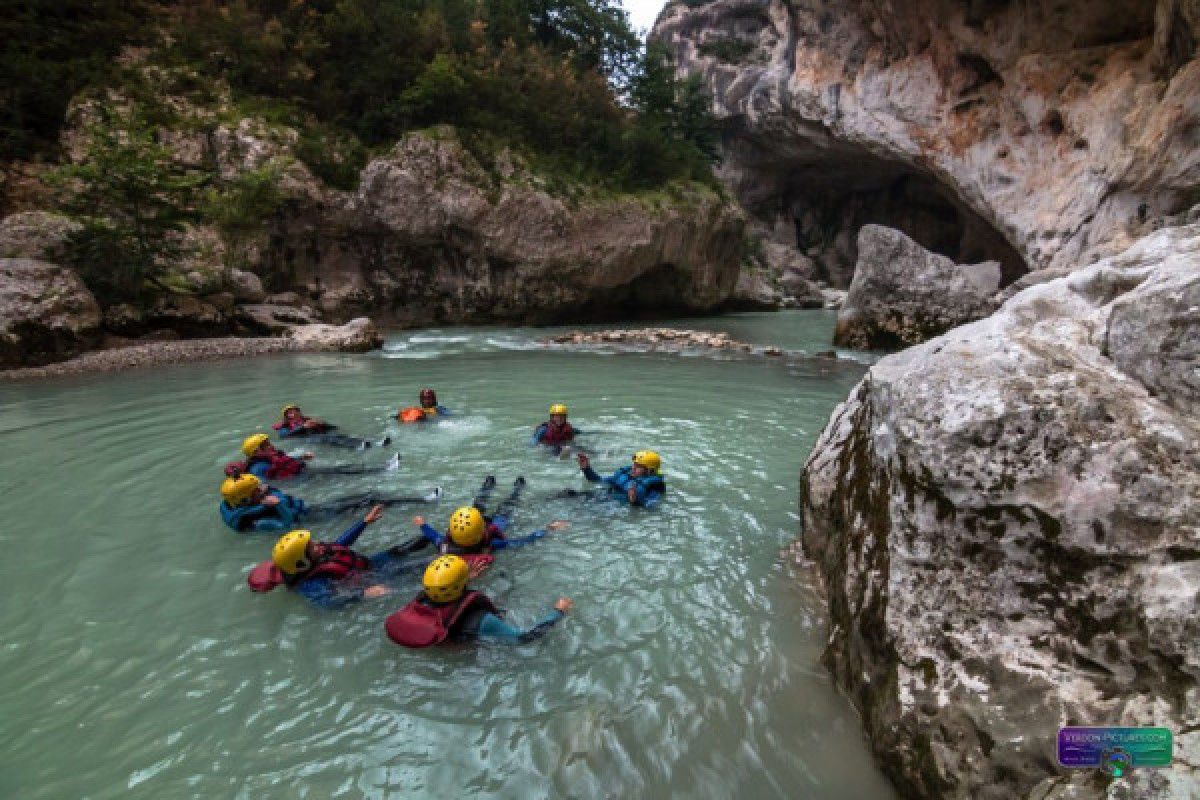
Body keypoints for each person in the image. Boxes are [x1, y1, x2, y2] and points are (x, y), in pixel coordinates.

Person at [253, 505, 431, 608]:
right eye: (311, 546)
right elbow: (327, 603)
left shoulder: (315, 555)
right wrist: (363, 594)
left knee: (414, 543)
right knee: (420, 565)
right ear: (302, 562)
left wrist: (364, 522)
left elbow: (340, 544)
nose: (317, 544)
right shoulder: (310, 584)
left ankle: (439, 541)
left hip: (371, 564)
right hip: (370, 578)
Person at [385, 555, 573, 647]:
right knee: (507, 586)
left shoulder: (420, 603)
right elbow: (523, 638)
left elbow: (445, 594)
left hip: (436, 646)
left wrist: (463, 580)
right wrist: (557, 612)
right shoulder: (482, 620)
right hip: (468, 658)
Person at [219, 471, 443, 533]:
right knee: (369, 500)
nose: (262, 488)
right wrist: (277, 504)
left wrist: (267, 497)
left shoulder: (242, 504)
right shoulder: (258, 521)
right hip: (315, 518)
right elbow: (288, 526)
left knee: (368, 495)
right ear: (246, 498)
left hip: (312, 510)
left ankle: (418, 498)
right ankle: (423, 500)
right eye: (256, 489)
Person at [226, 433, 399, 481]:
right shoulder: (259, 468)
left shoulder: (266, 459)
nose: (270, 446)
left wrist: (301, 458)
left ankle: (383, 468)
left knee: (341, 469)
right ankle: (384, 468)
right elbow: (274, 478)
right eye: (265, 445)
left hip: (303, 471)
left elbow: (284, 464)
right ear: (256, 452)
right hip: (303, 476)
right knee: (341, 470)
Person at [571, 450, 666, 508]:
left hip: (613, 507)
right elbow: (597, 480)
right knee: (568, 493)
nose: (633, 468)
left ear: (650, 471)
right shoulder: (625, 474)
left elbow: (651, 506)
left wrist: (634, 500)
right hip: (602, 497)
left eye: (638, 466)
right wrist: (586, 468)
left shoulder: (654, 486)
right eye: (634, 464)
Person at [275, 403, 388, 450]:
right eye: (290, 413)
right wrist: (303, 427)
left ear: (300, 413)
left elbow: (334, 428)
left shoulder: (310, 420)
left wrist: (323, 424)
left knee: (339, 435)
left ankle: (374, 442)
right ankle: (358, 446)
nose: (294, 414)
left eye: (296, 411)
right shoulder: (284, 426)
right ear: (287, 417)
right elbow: (285, 436)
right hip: (309, 440)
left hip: (321, 435)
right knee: (330, 439)